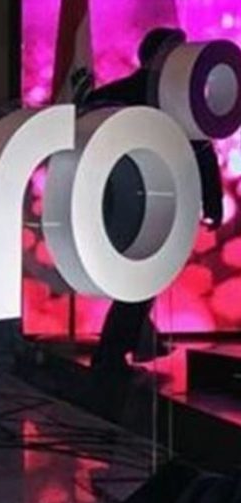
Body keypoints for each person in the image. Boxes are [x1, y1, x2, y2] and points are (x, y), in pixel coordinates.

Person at [88, 28, 224, 372]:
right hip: (142, 203)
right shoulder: (165, 98)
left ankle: (135, 341)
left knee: (140, 278)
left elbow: (201, 149)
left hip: (130, 201)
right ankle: (114, 352)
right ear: (159, 56)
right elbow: (202, 151)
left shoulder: (114, 95)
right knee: (141, 278)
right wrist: (212, 201)